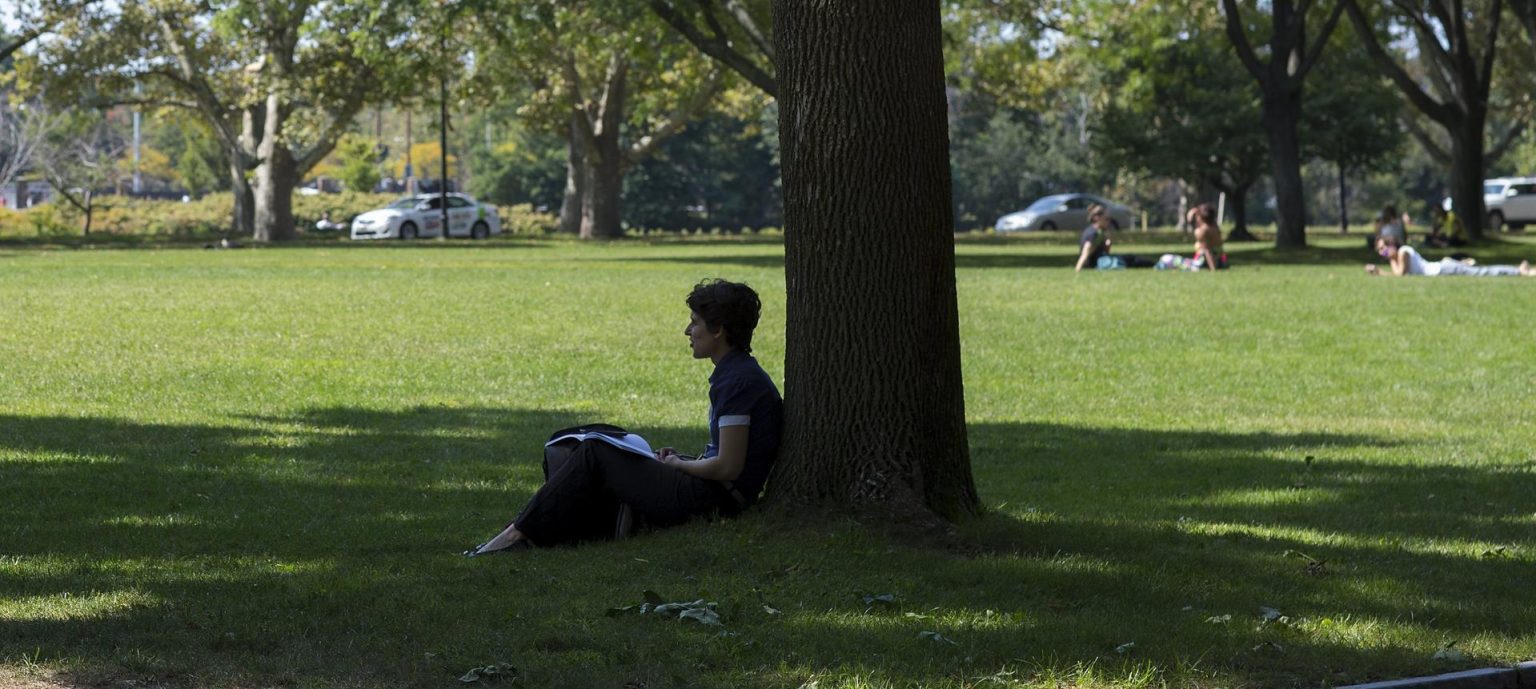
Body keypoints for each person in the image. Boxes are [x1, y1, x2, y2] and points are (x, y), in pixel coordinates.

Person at [465, 279, 784, 554]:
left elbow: (729, 466)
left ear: (719, 331)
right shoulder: (737, 374)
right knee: (602, 446)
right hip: (712, 491)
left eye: (695, 322)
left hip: (714, 499)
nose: (687, 331)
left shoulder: (738, 382)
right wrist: (680, 461)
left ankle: (515, 535)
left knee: (595, 450)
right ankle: (541, 531)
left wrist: (678, 465)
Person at [1365, 236, 1533, 277]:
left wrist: (1379, 271)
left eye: (1384, 248)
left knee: (1481, 272)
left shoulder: (1403, 253)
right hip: (1443, 266)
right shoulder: (1397, 255)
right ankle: (1518, 270)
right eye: (1380, 250)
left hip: (1441, 269)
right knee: (1479, 271)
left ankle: (1519, 271)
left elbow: (1400, 276)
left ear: (1392, 244)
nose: (1383, 252)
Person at [1075, 204, 1151, 270]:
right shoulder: (1094, 233)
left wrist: (1108, 243)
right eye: (1106, 219)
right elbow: (1085, 252)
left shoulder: (1098, 231)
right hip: (1099, 263)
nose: (1109, 222)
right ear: (1096, 218)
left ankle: (1154, 264)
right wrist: (1079, 268)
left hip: (1102, 261)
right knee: (1131, 260)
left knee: (1130, 258)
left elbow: (1104, 252)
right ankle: (1155, 265)